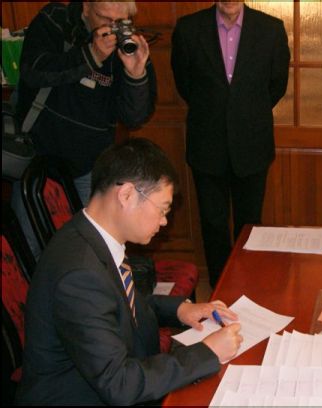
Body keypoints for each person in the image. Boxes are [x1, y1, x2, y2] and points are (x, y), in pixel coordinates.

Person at [15, 138, 243, 405]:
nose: (164, 221)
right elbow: (119, 384)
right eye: (162, 209)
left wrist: (181, 309)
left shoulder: (92, 236)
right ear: (126, 195)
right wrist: (207, 352)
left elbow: (122, 303)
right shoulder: (80, 274)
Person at [11, 1, 157, 259]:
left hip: (91, 165)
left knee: (95, 251)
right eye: (104, 18)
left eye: (120, 21)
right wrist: (91, 55)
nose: (111, 27)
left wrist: (136, 75)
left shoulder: (126, 40)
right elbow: (34, 71)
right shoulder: (56, 20)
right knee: (29, 248)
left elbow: (134, 117)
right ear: (86, 6)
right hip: (36, 156)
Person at [171, 1, 290, 288]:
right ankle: (220, 289)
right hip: (206, 145)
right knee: (213, 225)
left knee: (249, 225)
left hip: (252, 143)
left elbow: (276, 85)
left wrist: (244, 112)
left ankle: (248, 287)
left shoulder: (271, 30)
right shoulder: (188, 29)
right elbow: (184, 84)